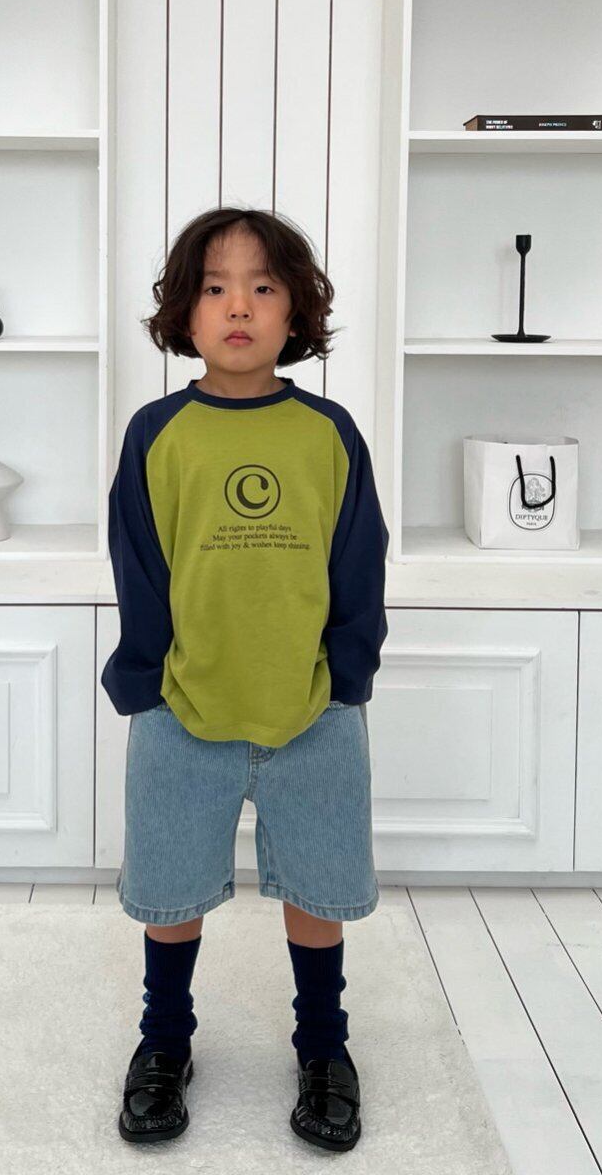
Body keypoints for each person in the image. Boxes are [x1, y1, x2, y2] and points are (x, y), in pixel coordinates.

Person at [102, 206, 388, 1153]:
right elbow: (138, 563)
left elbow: (360, 560)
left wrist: (347, 674)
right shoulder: (158, 432)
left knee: (319, 893)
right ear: (183, 311)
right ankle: (164, 1043)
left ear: (295, 310)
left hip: (313, 707)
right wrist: (148, 685)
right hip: (183, 707)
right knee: (171, 893)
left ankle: (324, 1049)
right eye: (215, 288)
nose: (239, 307)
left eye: (263, 288)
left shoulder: (328, 431)